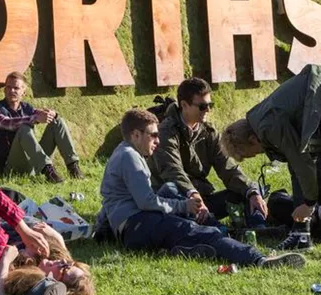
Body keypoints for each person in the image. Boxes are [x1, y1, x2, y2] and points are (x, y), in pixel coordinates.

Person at [100, 108, 305, 269]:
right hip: (139, 225)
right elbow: (147, 202)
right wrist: (185, 206)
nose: (157, 141)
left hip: (134, 227)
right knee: (207, 233)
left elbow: (113, 198)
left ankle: (187, 245)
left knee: (171, 192)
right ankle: (258, 260)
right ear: (136, 135)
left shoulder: (123, 151)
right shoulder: (130, 157)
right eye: (153, 135)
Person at [220, 65, 321, 258]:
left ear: (252, 140)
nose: (259, 155)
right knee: (296, 168)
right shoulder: (260, 119)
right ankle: (301, 235)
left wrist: (309, 203)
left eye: (253, 153)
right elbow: (296, 162)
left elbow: (302, 161)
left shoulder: (268, 127)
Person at [149, 77, 267, 227]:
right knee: (172, 189)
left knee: (247, 190)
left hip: (202, 200)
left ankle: (258, 227)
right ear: (184, 105)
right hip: (175, 201)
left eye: (210, 105)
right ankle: (217, 230)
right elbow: (173, 172)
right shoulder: (165, 133)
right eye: (202, 106)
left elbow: (227, 167)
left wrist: (252, 192)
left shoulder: (209, 132)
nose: (208, 110)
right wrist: (193, 195)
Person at [0, 72, 83, 183]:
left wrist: (52, 115)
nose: (11, 91)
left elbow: (39, 113)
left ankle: (73, 167)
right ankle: (49, 171)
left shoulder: (26, 108)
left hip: (32, 162)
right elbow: (8, 123)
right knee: (24, 129)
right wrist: (35, 118)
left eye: (16, 88)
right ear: (4, 89)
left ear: (23, 92)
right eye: (8, 87)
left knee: (57, 122)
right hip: (11, 167)